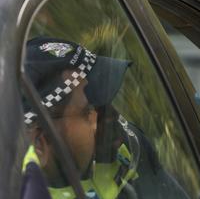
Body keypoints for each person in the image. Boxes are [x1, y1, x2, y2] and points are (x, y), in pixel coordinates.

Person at [21, 37, 188, 199]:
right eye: (87, 112)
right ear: (39, 143)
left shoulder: (127, 151)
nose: (111, 116)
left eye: (106, 103)